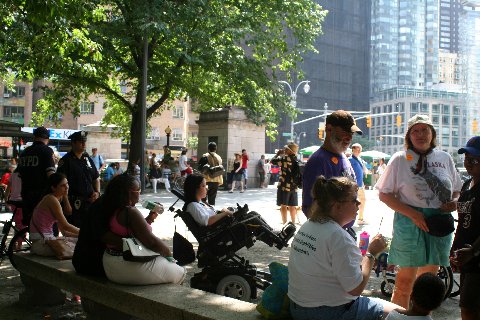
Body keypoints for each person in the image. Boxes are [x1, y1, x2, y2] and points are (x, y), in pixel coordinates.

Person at [376, 114, 462, 309]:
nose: (420, 134)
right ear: (409, 135)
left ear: (432, 134)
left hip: (438, 223)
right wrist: (414, 215)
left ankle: (421, 316)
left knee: (428, 281)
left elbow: (457, 189)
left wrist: (454, 202)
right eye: (415, 130)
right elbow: (384, 194)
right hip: (409, 222)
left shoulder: (445, 157)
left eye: (425, 130)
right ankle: (399, 316)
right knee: (405, 282)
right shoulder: (399, 159)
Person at [288, 176, 402, 320]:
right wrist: (371, 253)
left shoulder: (309, 225)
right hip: (329, 313)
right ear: (337, 206)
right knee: (402, 314)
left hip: (299, 308)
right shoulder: (338, 236)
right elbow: (356, 289)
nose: (359, 203)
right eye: (354, 200)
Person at [102, 174, 186, 285]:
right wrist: (169, 256)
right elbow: (152, 242)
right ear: (129, 193)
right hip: (125, 265)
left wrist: (150, 218)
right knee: (180, 272)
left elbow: (132, 231)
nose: (140, 193)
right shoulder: (131, 212)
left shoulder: (114, 207)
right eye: (138, 190)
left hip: (110, 261)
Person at [302, 110, 361, 218]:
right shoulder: (318, 161)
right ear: (329, 128)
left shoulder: (344, 158)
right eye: (345, 131)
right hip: (328, 232)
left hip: (343, 230)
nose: (349, 138)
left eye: (351, 133)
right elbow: (311, 209)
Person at [451, 136, 480, 320]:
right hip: (466, 260)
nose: (468, 163)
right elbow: (463, 222)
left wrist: (473, 250)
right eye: (466, 158)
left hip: (477, 259)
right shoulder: (467, 184)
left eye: (474, 160)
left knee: (469, 311)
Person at [57, 131, 100, 227]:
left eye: (85, 141)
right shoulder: (66, 161)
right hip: (75, 204)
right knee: (74, 235)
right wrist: (66, 203)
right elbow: (61, 184)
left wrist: (97, 192)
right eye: (81, 142)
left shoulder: (87, 159)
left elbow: (96, 178)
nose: (84, 144)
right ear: (73, 143)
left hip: (89, 203)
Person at [29, 173, 79, 256]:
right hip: (42, 243)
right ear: (53, 188)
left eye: (67, 184)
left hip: (47, 241)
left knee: (83, 241)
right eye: (62, 185)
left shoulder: (55, 199)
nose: (66, 187)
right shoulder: (51, 199)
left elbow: (64, 232)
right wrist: (84, 232)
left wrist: (65, 196)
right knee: (82, 248)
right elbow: (66, 226)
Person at [17, 126, 56, 226]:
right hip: (42, 197)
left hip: (26, 196)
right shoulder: (47, 151)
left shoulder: (24, 153)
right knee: (48, 231)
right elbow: (51, 176)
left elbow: (20, 174)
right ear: (47, 139)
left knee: (32, 228)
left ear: (34, 137)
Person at [270, 143, 301, 224]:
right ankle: (293, 222)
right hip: (294, 186)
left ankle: (284, 222)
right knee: (292, 206)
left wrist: (277, 154)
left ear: (290, 151)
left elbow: (272, 161)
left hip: (284, 185)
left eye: (286, 149)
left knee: (283, 205)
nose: (284, 150)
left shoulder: (284, 159)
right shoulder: (296, 159)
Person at [349, 143, 369, 225]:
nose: (358, 151)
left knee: (363, 200)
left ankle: (360, 218)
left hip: (360, 185)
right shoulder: (349, 159)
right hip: (353, 185)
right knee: (352, 202)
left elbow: (362, 171)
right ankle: (350, 219)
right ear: (352, 150)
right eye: (356, 149)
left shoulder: (360, 159)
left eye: (359, 149)